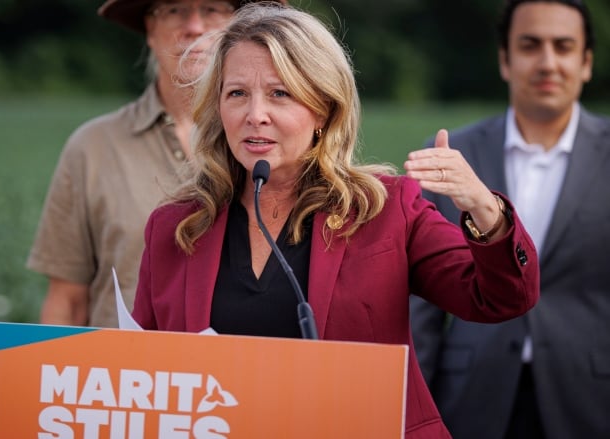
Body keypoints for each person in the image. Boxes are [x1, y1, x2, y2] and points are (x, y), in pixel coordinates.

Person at [131, 3, 540, 437]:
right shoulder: (175, 229)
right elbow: (144, 380)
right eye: (236, 94)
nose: (255, 114)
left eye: (279, 93)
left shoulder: (385, 209)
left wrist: (483, 208)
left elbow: (501, 298)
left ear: (323, 110)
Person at [409, 1, 610, 438]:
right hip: (470, 395)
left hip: (591, 399)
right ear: (505, 59)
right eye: (530, 45)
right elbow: (420, 304)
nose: (548, 62)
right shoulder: (451, 153)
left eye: (564, 46)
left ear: (586, 62)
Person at [27, 0, 284, 327]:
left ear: (241, 26)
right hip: (122, 374)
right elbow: (67, 300)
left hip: (237, 374)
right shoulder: (92, 147)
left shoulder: (275, 144)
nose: (194, 26)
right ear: (150, 29)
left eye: (212, 9)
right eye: (174, 10)